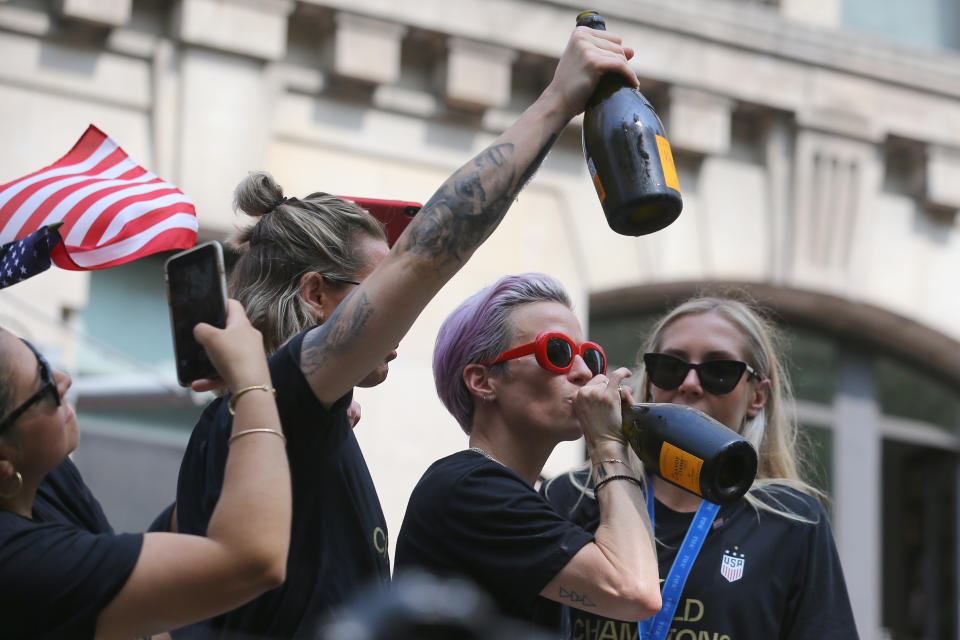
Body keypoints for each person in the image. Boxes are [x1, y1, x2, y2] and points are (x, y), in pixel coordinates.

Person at [172, 23, 644, 640]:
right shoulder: (273, 402)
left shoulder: (274, 428)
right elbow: (425, 254)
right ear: (317, 295)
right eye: (375, 290)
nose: (398, 322)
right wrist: (557, 101)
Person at [541, 296, 860, 640]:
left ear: (758, 397)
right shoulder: (571, 497)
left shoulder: (791, 521)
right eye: (669, 367)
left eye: (719, 371)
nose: (689, 384)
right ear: (648, 382)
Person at [0, 299, 291, 640]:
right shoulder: (18, 563)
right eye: (44, 384)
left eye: (39, 357)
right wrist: (253, 383)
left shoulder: (41, 476)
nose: (63, 379)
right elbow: (253, 561)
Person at [394, 273, 661, 635]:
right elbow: (633, 591)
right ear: (482, 381)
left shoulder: (528, 494)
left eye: (590, 356)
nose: (584, 372)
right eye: (557, 352)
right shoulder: (470, 489)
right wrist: (607, 444)